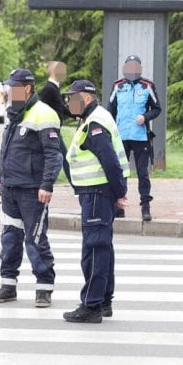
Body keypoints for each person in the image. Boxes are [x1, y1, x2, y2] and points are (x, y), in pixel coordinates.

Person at [0, 69, 64, 308]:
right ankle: (8, 286)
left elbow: (53, 154)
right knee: (9, 238)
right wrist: (0, 177)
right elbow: (8, 149)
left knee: (36, 239)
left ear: (27, 88)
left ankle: (44, 288)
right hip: (10, 188)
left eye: (13, 87)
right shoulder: (14, 112)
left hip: (33, 190)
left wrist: (47, 184)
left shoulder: (44, 113)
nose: (9, 91)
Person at [63, 80, 129, 323]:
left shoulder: (95, 123)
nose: (70, 102)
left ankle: (91, 305)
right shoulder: (94, 118)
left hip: (96, 193)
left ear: (87, 98)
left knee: (94, 249)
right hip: (97, 193)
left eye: (74, 97)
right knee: (103, 247)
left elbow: (110, 161)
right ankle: (103, 301)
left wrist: (119, 192)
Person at [108, 55, 162, 221]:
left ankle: (145, 207)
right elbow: (110, 110)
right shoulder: (117, 86)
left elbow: (157, 109)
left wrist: (145, 117)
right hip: (121, 136)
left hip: (140, 136)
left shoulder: (148, 86)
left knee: (142, 173)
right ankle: (119, 207)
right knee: (120, 172)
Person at [38, 61, 72, 183]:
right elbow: (40, 106)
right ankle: (76, 187)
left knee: (59, 156)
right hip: (51, 129)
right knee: (63, 156)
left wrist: (77, 115)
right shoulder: (49, 88)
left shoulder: (55, 88)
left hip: (55, 128)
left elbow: (61, 107)